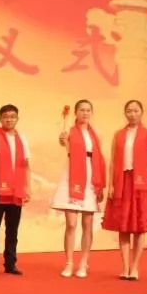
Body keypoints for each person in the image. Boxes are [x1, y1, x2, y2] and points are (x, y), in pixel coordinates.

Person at [101, 99, 147, 280]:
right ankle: (125, 268)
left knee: (140, 227)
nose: (132, 114)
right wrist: (111, 184)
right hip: (122, 182)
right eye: (129, 111)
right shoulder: (118, 135)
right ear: (125, 113)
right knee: (123, 226)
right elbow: (113, 161)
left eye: (136, 111)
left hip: (141, 183)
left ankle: (135, 268)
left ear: (141, 113)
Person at [52, 99, 106, 278]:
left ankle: (83, 263)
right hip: (73, 177)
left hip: (90, 178)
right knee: (71, 224)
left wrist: (100, 184)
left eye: (88, 110)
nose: (85, 113)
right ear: (75, 113)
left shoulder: (95, 135)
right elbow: (63, 143)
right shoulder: (69, 131)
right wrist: (62, 139)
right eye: (82, 110)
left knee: (87, 224)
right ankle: (69, 262)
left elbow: (99, 159)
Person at [0, 104, 31, 276]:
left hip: (16, 190)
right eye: (6, 117)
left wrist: (28, 187)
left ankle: (10, 264)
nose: (9, 119)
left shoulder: (22, 139)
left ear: (17, 119)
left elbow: (26, 165)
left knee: (12, 229)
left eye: (12, 116)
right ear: (0, 119)